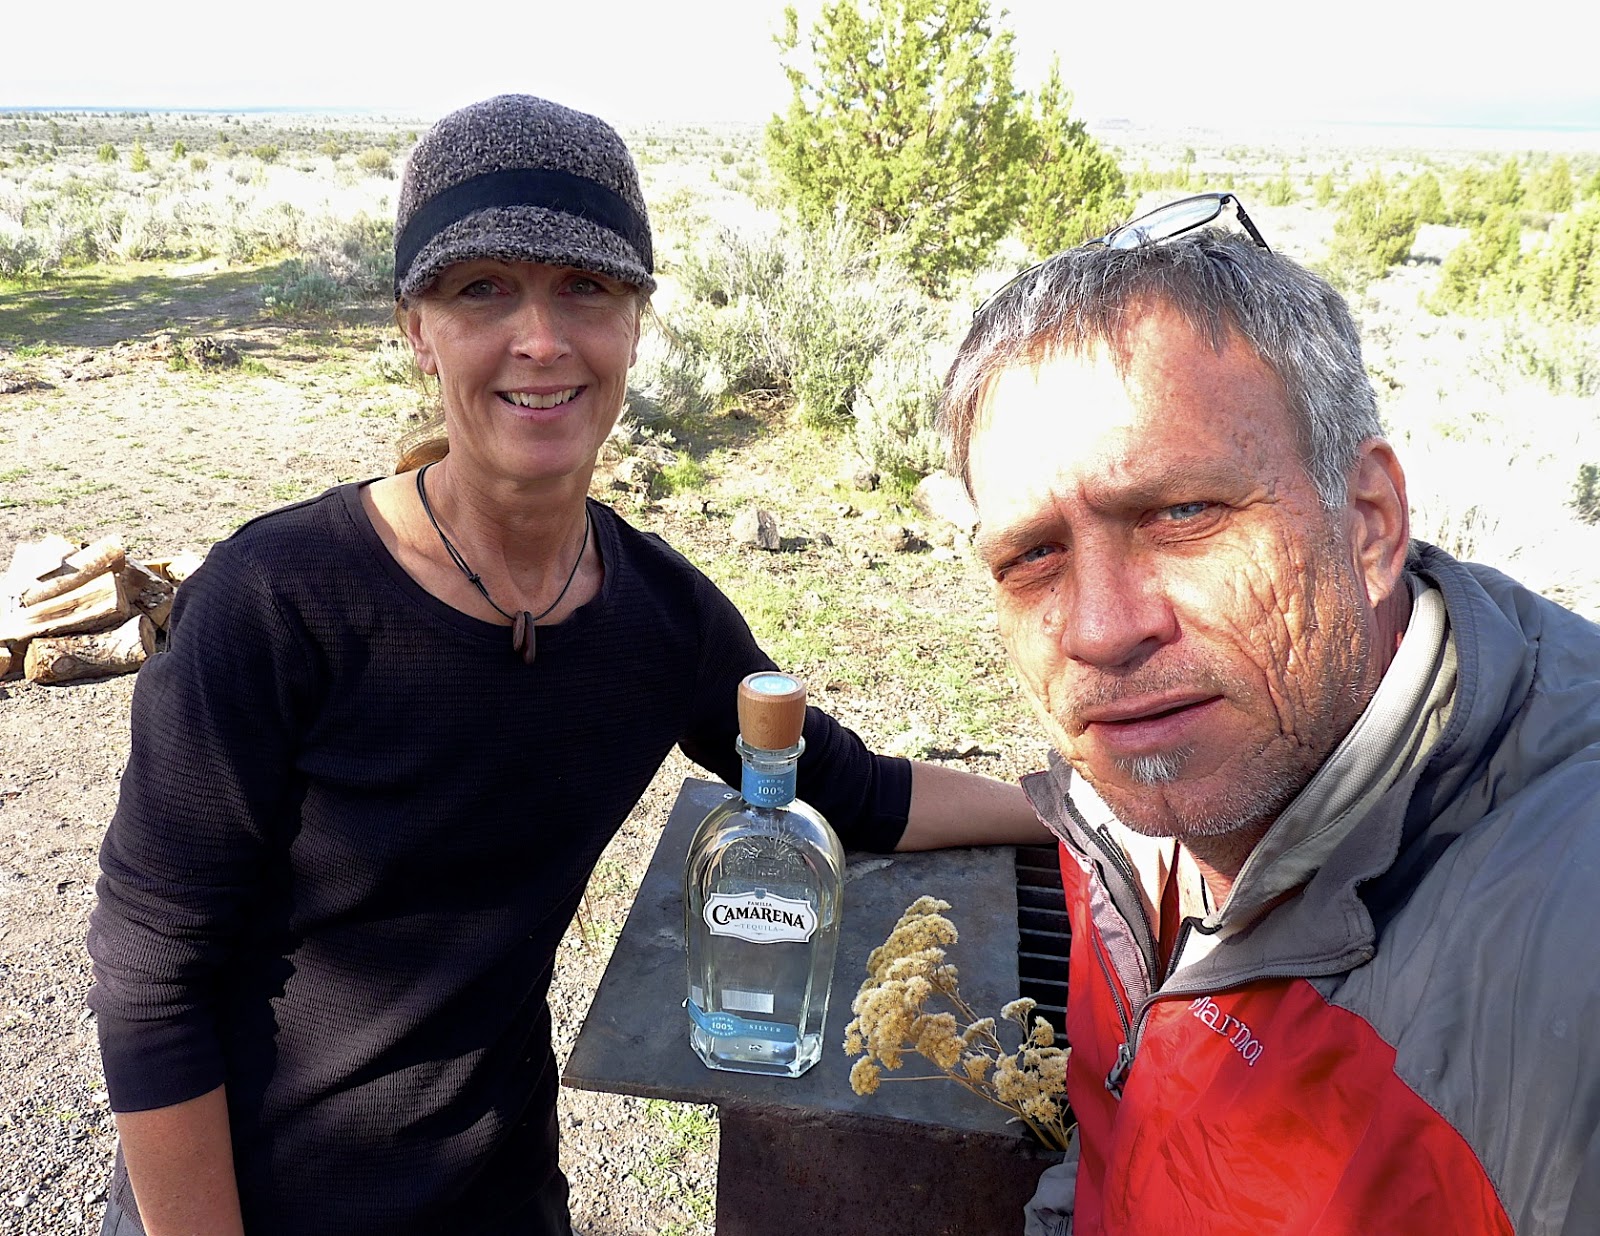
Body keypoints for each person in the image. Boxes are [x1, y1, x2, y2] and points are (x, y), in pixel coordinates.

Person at [86, 94, 1047, 1236]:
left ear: (635, 320)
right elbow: (152, 970)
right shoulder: (277, 603)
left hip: (498, 1197)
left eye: (585, 288)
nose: (540, 339)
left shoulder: (660, 620)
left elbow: (851, 788)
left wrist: (1072, 811)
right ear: (415, 326)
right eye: (481, 288)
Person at [939, 194, 1600, 1236]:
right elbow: (1116, 1128)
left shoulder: (1563, 973)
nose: (1102, 630)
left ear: (1368, 523)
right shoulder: (1138, 793)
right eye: (1033, 558)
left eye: (1181, 514)